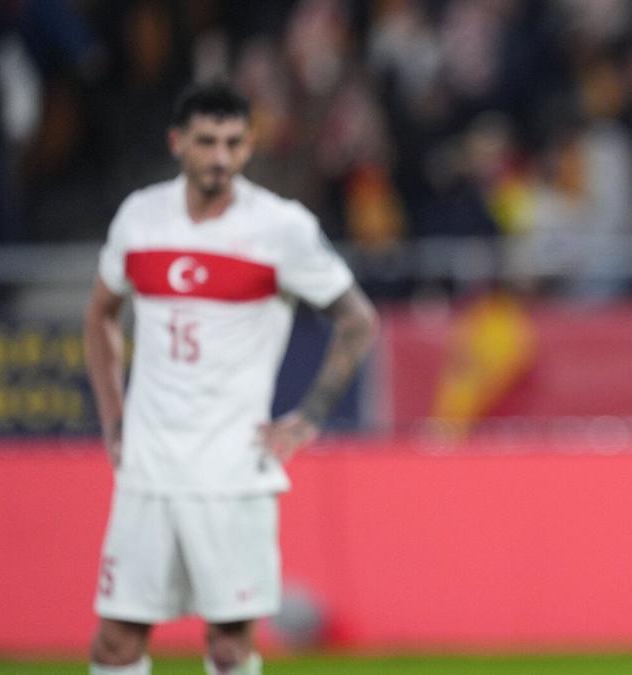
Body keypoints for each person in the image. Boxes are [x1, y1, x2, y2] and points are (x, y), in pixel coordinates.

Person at [82, 82, 378, 675]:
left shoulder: (280, 227)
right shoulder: (140, 217)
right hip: (150, 466)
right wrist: (114, 417)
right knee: (116, 642)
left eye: (233, 143)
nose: (220, 157)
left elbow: (358, 321)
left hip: (231, 469)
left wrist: (311, 415)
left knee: (227, 645)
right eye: (207, 142)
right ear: (177, 143)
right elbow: (100, 317)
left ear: (249, 147)